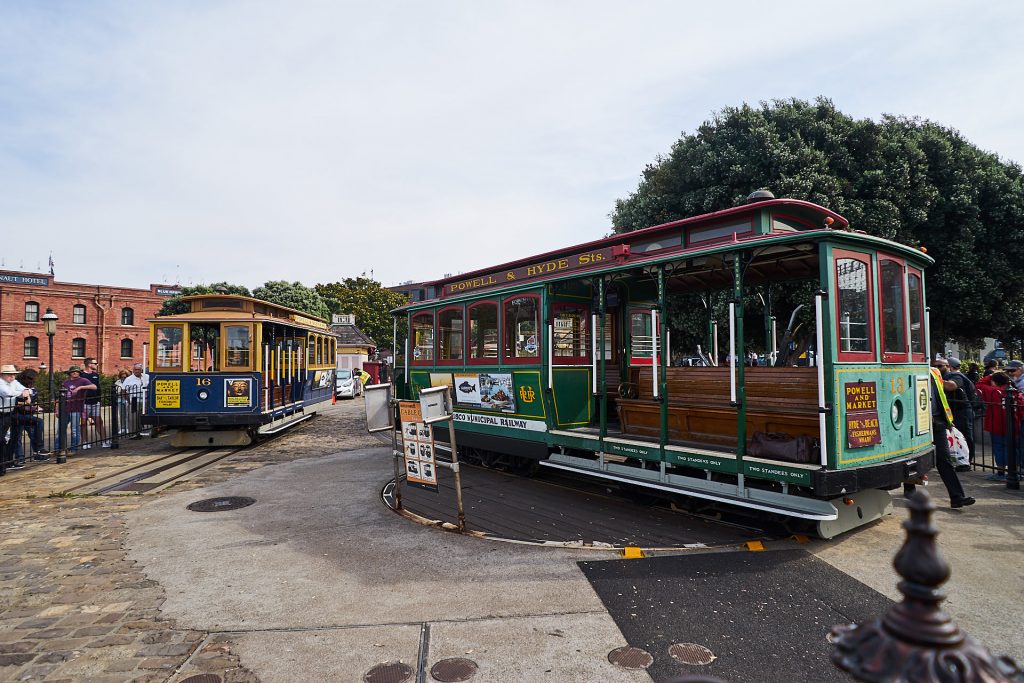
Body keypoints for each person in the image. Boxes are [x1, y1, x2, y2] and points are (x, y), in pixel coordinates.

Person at [926, 361, 975, 509]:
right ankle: (910, 488)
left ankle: (957, 497)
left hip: (938, 422)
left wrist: (948, 420)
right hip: (920, 422)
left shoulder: (934, 373)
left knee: (944, 459)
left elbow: (941, 397)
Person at [975, 371, 1021, 481]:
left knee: (999, 447)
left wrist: (991, 375)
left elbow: (979, 385)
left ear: (995, 381)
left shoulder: (993, 391)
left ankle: (1001, 472)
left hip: (996, 424)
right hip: (1014, 424)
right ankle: (1014, 471)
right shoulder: (1016, 392)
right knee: (1014, 448)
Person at [939, 357, 976, 470]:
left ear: (949, 366)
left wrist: (936, 380)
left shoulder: (956, 376)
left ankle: (966, 462)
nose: (937, 368)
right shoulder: (949, 376)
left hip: (962, 410)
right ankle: (960, 460)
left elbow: (951, 386)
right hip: (956, 410)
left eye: (940, 366)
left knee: (965, 435)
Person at [0, 364, 33, 471]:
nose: (12, 376)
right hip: (0, 414)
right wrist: (23, 394)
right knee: (1, 439)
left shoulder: (14, 382)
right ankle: (3, 465)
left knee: (6, 438)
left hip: (8, 414)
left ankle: (6, 463)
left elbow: (28, 390)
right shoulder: (0, 383)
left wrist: (27, 393)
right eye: (9, 374)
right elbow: (7, 393)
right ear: (2, 375)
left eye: (14, 374)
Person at [12, 368, 49, 463]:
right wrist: (25, 403)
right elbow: (15, 402)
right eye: (30, 379)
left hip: (28, 414)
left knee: (33, 435)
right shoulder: (17, 385)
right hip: (17, 414)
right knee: (17, 437)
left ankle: (38, 454)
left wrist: (35, 406)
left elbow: (33, 400)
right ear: (25, 378)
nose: (32, 381)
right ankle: (20, 458)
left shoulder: (32, 388)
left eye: (33, 380)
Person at [59, 366, 96, 454]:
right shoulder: (66, 382)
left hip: (76, 408)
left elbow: (94, 387)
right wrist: (57, 409)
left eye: (77, 372)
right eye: (73, 371)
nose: (75, 373)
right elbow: (60, 396)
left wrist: (80, 388)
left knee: (75, 430)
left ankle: (74, 449)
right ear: (70, 373)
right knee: (60, 429)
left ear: (79, 373)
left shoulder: (83, 380)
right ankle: (59, 449)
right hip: (65, 408)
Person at [80, 358, 110, 448]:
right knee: (84, 423)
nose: (97, 364)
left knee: (99, 421)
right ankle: (85, 442)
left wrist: (99, 400)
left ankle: (104, 441)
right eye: (95, 363)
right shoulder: (81, 375)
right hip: (84, 403)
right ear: (89, 364)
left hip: (95, 402)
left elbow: (98, 388)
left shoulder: (96, 375)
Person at [121, 363, 150, 438]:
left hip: (145, 399)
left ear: (141, 370)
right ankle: (133, 434)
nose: (137, 371)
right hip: (134, 399)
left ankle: (139, 432)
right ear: (133, 370)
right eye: (135, 370)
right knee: (133, 418)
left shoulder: (146, 377)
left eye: (138, 369)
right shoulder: (129, 379)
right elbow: (123, 391)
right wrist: (128, 401)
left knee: (141, 417)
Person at [114, 369, 130, 435]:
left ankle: (127, 428)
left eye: (125, 377)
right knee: (121, 414)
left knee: (127, 414)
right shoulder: (117, 382)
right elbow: (116, 390)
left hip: (127, 399)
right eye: (122, 377)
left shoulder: (129, 381)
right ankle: (122, 428)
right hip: (120, 399)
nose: (123, 378)